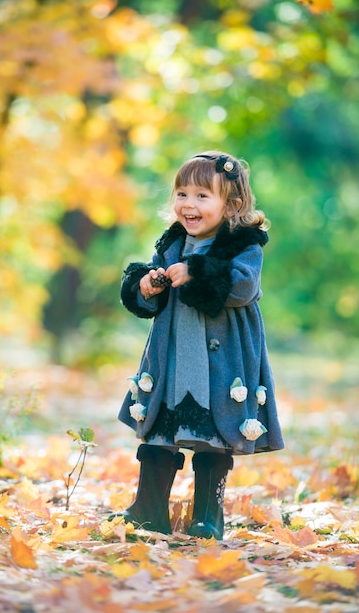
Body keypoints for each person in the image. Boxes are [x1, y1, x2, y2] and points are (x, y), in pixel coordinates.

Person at [111, 151, 285, 539]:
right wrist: (148, 286)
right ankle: (148, 508)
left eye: (203, 196)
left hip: (220, 366)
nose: (189, 204)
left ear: (232, 204)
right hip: (172, 359)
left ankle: (208, 514)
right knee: (159, 433)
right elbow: (153, 299)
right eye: (182, 194)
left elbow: (243, 287)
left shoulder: (243, 245)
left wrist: (198, 272)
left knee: (214, 438)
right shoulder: (173, 244)